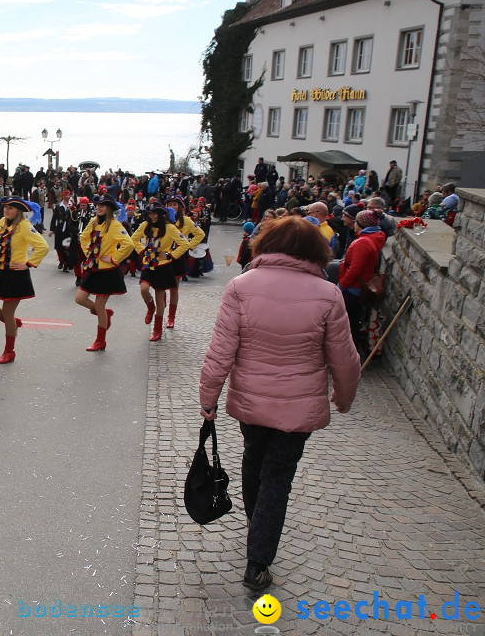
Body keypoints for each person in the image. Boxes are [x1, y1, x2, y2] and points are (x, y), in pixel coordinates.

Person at [198, 216, 360, 591]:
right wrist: (344, 397)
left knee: (254, 459)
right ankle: (258, 560)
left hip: (251, 402)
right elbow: (345, 357)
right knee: (278, 475)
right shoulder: (328, 293)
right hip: (298, 408)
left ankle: (259, 529)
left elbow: (220, 351)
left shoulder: (241, 286)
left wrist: (209, 398)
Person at [0, 197, 49, 364]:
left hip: (17, 275)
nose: (6, 210)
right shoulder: (3, 222)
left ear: (18, 211)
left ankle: (9, 351)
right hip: (2, 272)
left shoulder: (25, 226)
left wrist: (29, 263)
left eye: (11, 208)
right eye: (6, 207)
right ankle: (12, 323)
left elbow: (43, 246)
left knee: (8, 313)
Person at [75, 196, 134, 351]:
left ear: (109, 209)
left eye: (103, 206)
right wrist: (89, 252)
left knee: (99, 306)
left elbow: (129, 244)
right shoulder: (94, 222)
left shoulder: (115, 225)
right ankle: (104, 315)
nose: (99, 208)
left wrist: (115, 258)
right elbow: (83, 237)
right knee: (80, 299)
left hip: (107, 271)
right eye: (98, 205)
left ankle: (100, 341)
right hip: (93, 268)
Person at [131, 206, 190, 341]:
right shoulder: (145, 225)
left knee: (160, 297)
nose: (152, 217)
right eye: (150, 214)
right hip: (148, 264)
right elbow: (134, 239)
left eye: (155, 214)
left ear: (162, 215)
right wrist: (142, 251)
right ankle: (150, 307)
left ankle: (157, 330)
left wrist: (170, 255)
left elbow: (184, 244)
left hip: (163, 266)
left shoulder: (170, 228)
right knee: (144, 289)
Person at [338, 208, 387, 350]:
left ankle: (348, 351)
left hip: (353, 288)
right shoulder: (372, 238)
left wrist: (341, 286)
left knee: (347, 322)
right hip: (358, 286)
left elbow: (355, 269)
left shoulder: (363, 242)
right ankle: (352, 350)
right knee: (352, 321)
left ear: (359, 223)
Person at [165, 196, 205, 327]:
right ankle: (161, 307)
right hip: (163, 256)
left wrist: (188, 246)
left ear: (180, 207)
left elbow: (200, 234)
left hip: (178, 257)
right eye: (169, 204)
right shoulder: (164, 220)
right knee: (160, 286)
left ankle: (171, 317)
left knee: (174, 288)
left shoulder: (187, 221)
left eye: (174, 205)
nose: (172, 207)